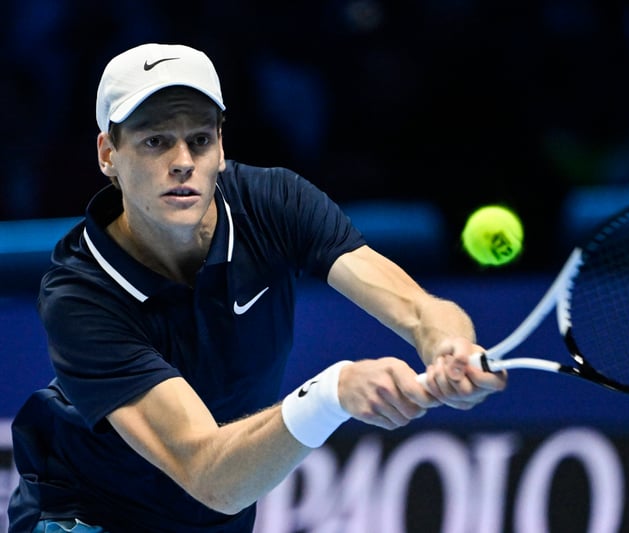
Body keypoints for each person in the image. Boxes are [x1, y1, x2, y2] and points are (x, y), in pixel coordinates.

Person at [6, 43, 506, 532]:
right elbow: (207, 473)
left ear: (221, 146)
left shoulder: (273, 204)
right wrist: (331, 395)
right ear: (108, 154)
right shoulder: (80, 295)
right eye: (155, 141)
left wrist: (448, 347)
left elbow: (417, 309)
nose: (182, 161)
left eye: (200, 139)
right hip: (87, 515)